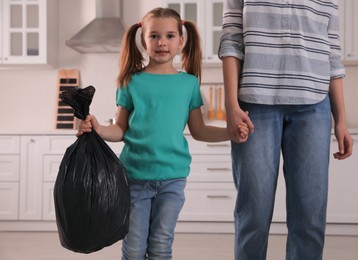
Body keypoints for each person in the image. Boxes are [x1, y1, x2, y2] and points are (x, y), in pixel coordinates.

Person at [77, 7, 248, 260]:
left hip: (172, 180)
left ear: (181, 40)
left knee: (160, 246)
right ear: (143, 40)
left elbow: (199, 131)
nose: (161, 43)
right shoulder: (131, 81)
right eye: (154, 36)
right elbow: (120, 129)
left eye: (169, 36)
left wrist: (230, 134)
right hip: (134, 178)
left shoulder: (189, 84)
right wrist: (99, 128)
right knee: (133, 249)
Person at [218, 1, 353, 259]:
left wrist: (341, 120)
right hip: (254, 104)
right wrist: (231, 104)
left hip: (313, 107)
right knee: (253, 214)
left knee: (310, 215)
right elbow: (231, 40)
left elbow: (332, 56)